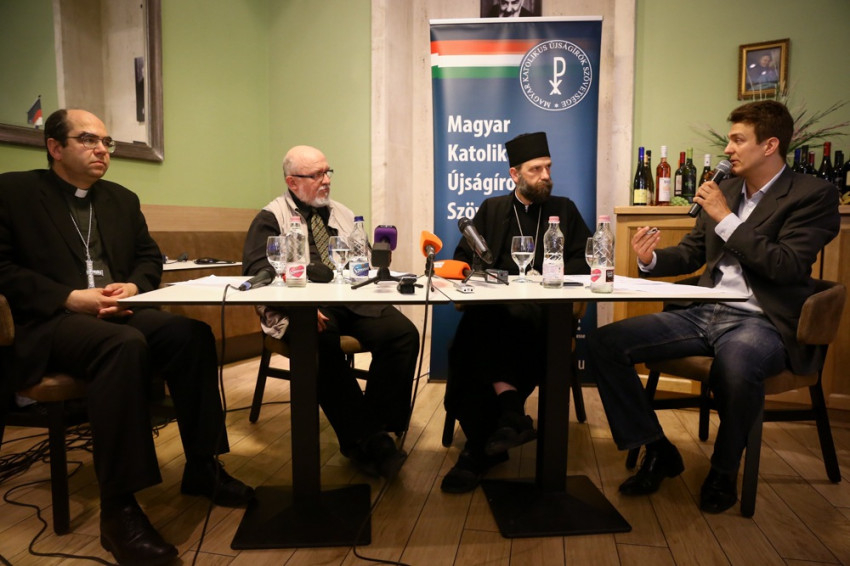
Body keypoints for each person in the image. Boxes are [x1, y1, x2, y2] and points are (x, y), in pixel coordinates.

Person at [0, 109, 254, 565]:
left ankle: (203, 466)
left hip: (117, 313)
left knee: (191, 335)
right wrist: (68, 297)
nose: (102, 149)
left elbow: (148, 258)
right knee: (122, 346)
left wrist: (135, 286)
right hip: (52, 320)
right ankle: (119, 510)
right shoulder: (14, 192)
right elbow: (2, 268)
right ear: (55, 147)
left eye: (107, 142)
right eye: (88, 140)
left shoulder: (121, 198)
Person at [587, 100, 840, 514]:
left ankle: (723, 471)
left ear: (770, 145)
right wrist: (650, 259)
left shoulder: (812, 195)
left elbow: (786, 265)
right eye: (729, 140)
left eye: (738, 140)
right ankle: (657, 449)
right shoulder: (727, 191)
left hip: (762, 320)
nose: (727, 149)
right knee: (604, 343)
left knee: (736, 365)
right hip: (704, 310)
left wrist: (726, 218)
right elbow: (691, 253)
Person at [242, 144, 419, 479]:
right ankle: (365, 440)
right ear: (292, 182)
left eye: (327, 172)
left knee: (402, 334)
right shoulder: (271, 217)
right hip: (304, 305)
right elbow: (258, 270)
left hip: (350, 298)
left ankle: (375, 429)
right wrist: (297, 308)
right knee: (318, 341)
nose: (326, 181)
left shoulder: (342, 213)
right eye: (316, 175)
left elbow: (365, 260)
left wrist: (378, 260)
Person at [441, 132, 592, 493]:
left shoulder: (564, 210)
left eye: (548, 167)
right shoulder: (492, 209)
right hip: (493, 313)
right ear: (515, 174)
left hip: (544, 315)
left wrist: (548, 275)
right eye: (536, 169)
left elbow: (586, 261)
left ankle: (478, 449)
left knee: (478, 338)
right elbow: (462, 258)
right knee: (475, 334)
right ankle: (507, 419)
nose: (546, 175)